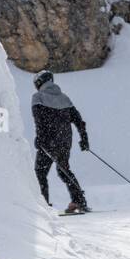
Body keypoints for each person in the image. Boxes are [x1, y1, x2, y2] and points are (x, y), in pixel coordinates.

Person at [31, 71, 90, 214]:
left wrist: (39, 139)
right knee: (64, 170)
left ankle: (43, 206)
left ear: (39, 83)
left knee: (40, 172)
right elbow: (78, 120)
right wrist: (84, 139)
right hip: (65, 141)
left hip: (48, 141)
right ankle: (79, 201)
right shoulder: (65, 98)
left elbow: (39, 122)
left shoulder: (38, 97)